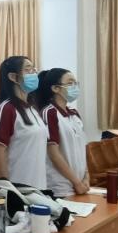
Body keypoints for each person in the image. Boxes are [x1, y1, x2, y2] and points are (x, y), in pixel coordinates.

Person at [0, 56, 47, 188]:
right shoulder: (6, 108)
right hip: (18, 186)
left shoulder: (32, 108)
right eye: (28, 70)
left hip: (38, 185)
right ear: (13, 77)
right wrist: (8, 188)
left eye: (34, 69)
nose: (34, 74)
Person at [35, 68, 89, 197]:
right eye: (70, 83)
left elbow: (82, 149)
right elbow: (54, 154)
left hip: (80, 184)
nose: (74, 86)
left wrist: (86, 176)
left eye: (76, 83)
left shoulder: (74, 113)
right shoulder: (49, 113)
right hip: (60, 186)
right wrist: (76, 182)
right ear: (55, 88)